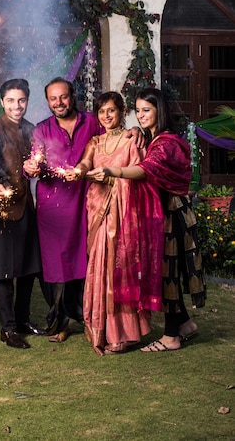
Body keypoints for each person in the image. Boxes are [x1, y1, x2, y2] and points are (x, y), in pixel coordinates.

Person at [92, 88, 206, 352]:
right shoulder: (150, 137)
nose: (141, 115)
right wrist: (134, 131)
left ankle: (170, 337)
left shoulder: (167, 143)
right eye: (139, 110)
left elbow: (146, 169)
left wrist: (112, 170)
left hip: (172, 214)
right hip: (163, 212)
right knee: (167, 271)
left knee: (167, 272)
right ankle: (185, 324)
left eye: (147, 110)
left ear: (159, 111)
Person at [65, 92, 151, 355]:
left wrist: (114, 179)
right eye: (102, 112)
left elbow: (142, 173)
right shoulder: (95, 140)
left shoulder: (131, 139)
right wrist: (77, 172)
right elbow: (85, 163)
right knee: (99, 266)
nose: (107, 116)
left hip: (123, 213)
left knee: (120, 267)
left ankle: (123, 333)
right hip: (98, 210)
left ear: (122, 111)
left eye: (112, 111)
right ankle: (101, 328)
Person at [23, 77, 104, 342]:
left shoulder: (92, 121)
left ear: (73, 96)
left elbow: (112, 143)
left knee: (87, 258)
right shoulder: (42, 129)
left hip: (87, 200)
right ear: (47, 101)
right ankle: (60, 322)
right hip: (53, 207)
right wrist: (32, 168)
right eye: (53, 99)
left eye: (63, 97)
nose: (59, 103)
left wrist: (133, 133)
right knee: (57, 265)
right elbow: (36, 159)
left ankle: (89, 316)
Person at [0, 78, 45, 349]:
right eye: (10, 100)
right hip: (4, 211)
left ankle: (22, 320)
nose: (16, 106)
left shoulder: (32, 130)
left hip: (28, 208)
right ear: (2, 102)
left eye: (21, 100)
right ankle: (7, 329)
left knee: (28, 268)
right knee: (5, 271)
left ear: (27, 101)